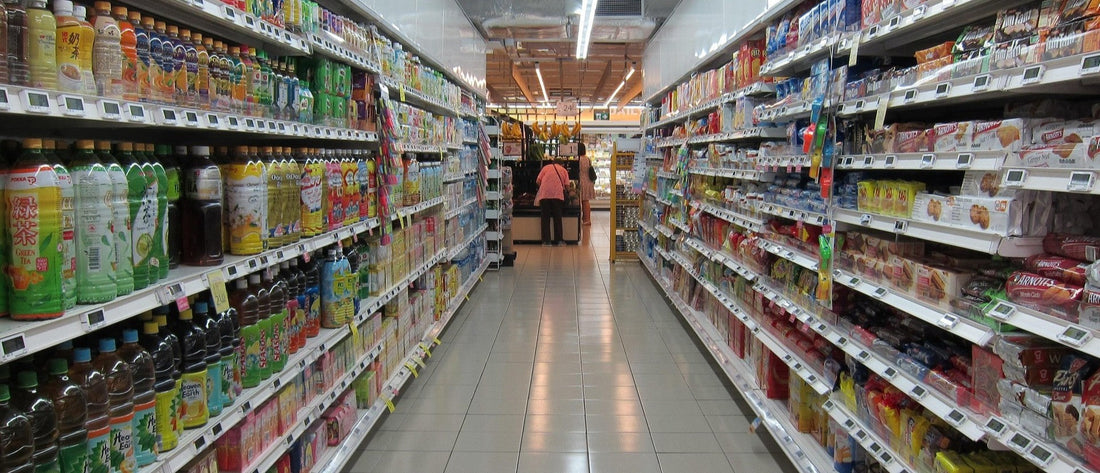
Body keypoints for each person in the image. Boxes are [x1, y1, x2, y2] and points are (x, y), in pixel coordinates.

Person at [535, 158, 570, 246]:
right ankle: (559, 240)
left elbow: (538, 181)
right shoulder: (564, 170)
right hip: (557, 195)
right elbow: (567, 186)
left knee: (545, 218)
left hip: (544, 195)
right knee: (557, 218)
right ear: (562, 164)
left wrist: (544, 187)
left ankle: (546, 241)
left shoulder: (546, 168)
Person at [578, 143, 595, 225]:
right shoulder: (587, 158)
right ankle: (586, 219)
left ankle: (586, 219)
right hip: (588, 181)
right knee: (586, 201)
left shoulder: (579, 159)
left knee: (583, 201)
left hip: (582, 181)